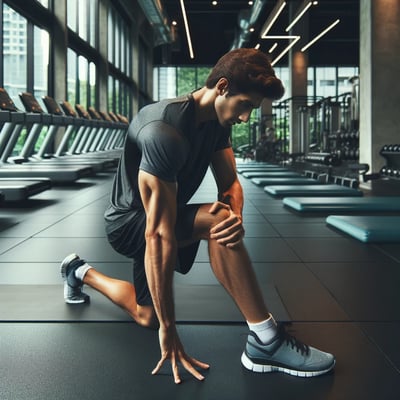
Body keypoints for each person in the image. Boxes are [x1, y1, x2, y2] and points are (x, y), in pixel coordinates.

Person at [60, 48, 335, 384]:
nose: (247, 117)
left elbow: (230, 182)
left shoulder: (216, 121)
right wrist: (170, 329)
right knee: (214, 223)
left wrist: (235, 219)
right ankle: (267, 340)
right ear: (222, 87)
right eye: (245, 105)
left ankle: (78, 271)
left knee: (146, 315)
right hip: (129, 224)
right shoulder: (165, 131)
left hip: (163, 218)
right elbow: (157, 235)